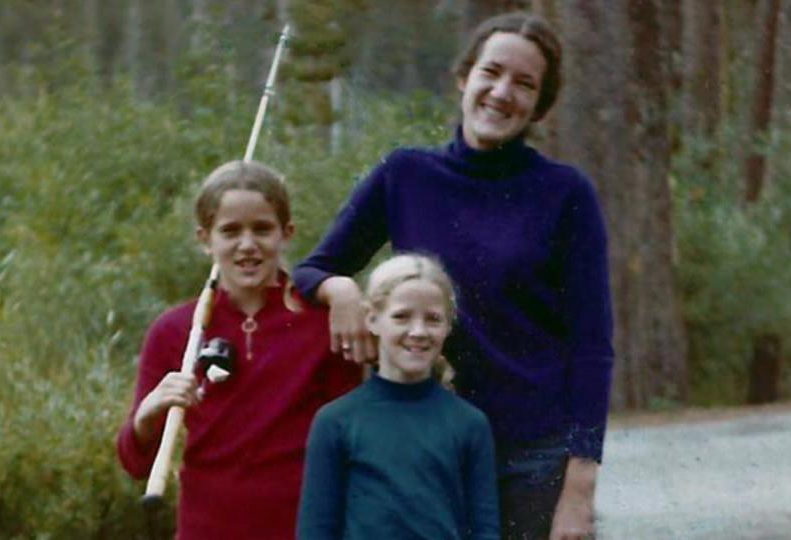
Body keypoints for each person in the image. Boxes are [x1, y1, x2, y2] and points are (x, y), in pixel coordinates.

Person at [293, 12, 613, 540]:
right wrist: (341, 289)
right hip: (423, 446)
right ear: (464, 77)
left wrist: (580, 488)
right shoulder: (405, 175)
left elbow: (592, 345)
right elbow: (313, 268)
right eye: (492, 72)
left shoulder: (565, 193)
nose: (502, 92)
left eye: (524, 83)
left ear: (539, 105)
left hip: (531, 457)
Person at [117, 160, 361, 539]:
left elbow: (353, 444)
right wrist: (148, 415)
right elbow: (134, 462)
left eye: (262, 229)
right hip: (206, 529)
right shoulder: (172, 332)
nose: (247, 244)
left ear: (286, 233)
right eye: (230, 231)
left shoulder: (322, 322)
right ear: (205, 239)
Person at [297, 254, 500, 540]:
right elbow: (315, 530)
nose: (418, 332)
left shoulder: (470, 423)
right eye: (402, 316)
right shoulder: (335, 421)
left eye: (432, 319)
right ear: (373, 319)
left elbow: (485, 529)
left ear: (447, 327)